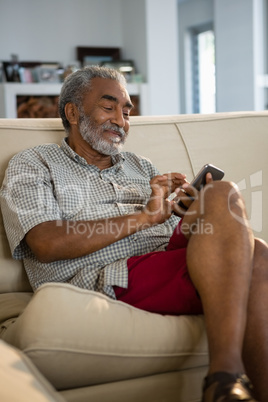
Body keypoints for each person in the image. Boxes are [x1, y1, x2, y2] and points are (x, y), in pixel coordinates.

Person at [1, 65, 267, 402]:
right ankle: (224, 379)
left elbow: (166, 229)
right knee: (257, 257)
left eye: (126, 112)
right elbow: (46, 242)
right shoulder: (33, 163)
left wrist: (186, 213)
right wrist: (144, 217)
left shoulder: (140, 165)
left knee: (223, 195)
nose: (121, 121)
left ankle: (228, 386)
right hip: (110, 273)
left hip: (161, 259)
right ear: (72, 111)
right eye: (108, 107)